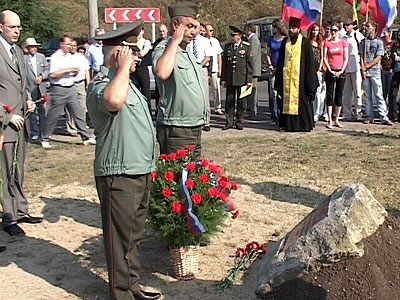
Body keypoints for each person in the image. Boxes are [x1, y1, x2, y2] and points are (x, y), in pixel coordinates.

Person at [86, 19, 161, 300]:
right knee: (119, 241)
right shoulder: (103, 85)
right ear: (118, 52)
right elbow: (113, 102)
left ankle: (132, 286)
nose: (138, 57)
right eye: (132, 51)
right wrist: (120, 70)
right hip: (119, 174)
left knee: (133, 237)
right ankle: (121, 294)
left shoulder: (125, 82)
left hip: (138, 170)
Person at [0, 9, 43, 237]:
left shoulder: (17, 51)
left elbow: (21, 84)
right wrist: (6, 115)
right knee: (6, 171)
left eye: (18, 27)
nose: (16, 31)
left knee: (19, 168)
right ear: (1, 27)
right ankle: (9, 217)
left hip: (21, 121)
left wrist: (28, 100)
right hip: (6, 124)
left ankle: (21, 209)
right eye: (11, 27)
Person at [152, 1, 207, 160]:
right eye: (189, 26)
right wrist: (174, 42)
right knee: (177, 178)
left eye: (195, 27)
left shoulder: (187, 51)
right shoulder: (165, 48)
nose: (194, 32)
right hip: (177, 128)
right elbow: (162, 72)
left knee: (192, 178)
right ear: (176, 25)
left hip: (194, 126)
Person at [41, 35, 96, 149]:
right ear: (62, 45)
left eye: (71, 44)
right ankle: (45, 137)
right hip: (59, 89)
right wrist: (68, 70)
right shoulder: (56, 57)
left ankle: (85, 137)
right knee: (54, 115)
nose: (70, 46)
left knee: (78, 113)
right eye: (68, 44)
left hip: (71, 88)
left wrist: (74, 72)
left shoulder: (70, 56)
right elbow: (53, 74)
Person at [275, 17, 318, 132]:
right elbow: (280, 62)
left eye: (293, 28)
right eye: (290, 28)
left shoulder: (305, 43)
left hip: (301, 81)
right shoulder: (285, 42)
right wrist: (278, 79)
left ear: (298, 29)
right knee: (286, 102)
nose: (291, 30)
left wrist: (310, 83)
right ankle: (287, 125)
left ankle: (302, 125)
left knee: (302, 103)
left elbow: (310, 64)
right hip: (287, 80)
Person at [359, 21, 393, 125]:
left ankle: (383, 116)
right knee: (367, 96)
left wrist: (368, 65)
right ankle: (369, 116)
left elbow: (379, 57)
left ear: (373, 28)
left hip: (375, 72)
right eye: (365, 26)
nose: (366, 28)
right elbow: (360, 55)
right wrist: (362, 67)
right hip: (365, 72)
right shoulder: (363, 42)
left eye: (368, 26)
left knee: (378, 94)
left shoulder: (379, 42)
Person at [221, 25, 253, 131]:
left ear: (239, 36)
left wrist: (249, 80)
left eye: (234, 35)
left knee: (241, 102)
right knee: (229, 101)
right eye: (232, 35)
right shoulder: (228, 47)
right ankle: (229, 121)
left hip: (242, 79)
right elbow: (225, 64)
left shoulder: (246, 47)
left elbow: (249, 65)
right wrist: (224, 79)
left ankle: (239, 121)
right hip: (230, 79)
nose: (233, 37)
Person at [187, 20, 213, 131]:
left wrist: (198, 65)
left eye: (196, 27)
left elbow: (208, 57)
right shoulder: (188, 41)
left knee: (204, 96)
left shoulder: (204, 41)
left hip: (201, 69)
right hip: (189, 70)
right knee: (190, 95)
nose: (194, 30)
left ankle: (206, 121)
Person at [323, 22, 348, 129]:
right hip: (330, 71)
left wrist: (341, 70)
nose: (333, 32)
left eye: (335, 30)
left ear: (338, 31)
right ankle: (329, 120)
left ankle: (337, 119)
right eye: (331, 30)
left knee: (339, 95)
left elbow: (346, 58)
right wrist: (330, 70)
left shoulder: (343, 42)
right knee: (329, 95)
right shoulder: (327, 43)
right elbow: (324, 57)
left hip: (341, 71)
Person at [23, 37, 49, 142]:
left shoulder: (41, 57)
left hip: (41, 88)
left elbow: (47, 68)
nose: (34, 49)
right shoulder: (24, 58)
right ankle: (34, 132)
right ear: (28, 48)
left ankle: (44, 131)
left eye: (35, 47)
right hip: (30, 88)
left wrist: (42, 76)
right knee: (32, 112)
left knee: (43, 110)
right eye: (32, 47)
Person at [342, 20, 364, 121]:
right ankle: (346, 113)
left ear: (352, 26)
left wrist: (362, 65)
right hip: (346, 67)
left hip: (356, 67)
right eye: (345, 25)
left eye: (348, 25)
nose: (346, 27)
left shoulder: (358, 36)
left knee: (357, 92)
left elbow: (363, 50)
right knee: (346, 93)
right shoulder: (343, 37)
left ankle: (358, 114)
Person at [267, 19, 287, 125]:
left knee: (281, 93)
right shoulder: (270, 39)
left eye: (274, 27)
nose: (272, 29)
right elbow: (268, 53)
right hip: (273, 68)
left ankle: (282, 114)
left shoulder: (285, 39)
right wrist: (270, 65)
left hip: (283, 68)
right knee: (273, 93)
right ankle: (274, 115)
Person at [130, 27, 152, 114]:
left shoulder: (146, 42)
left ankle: (148, 113)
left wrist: (135, 52)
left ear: (143, 31)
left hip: (143, 69)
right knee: (134, 92)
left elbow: (142, 53)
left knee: (145, 92)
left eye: (140, 31)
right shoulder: (132, 42)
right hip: (134, 70)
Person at [307, 23, 326, 123]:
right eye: (314, 30)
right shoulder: (308, 42)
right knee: (311, 92)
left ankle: (317, 113)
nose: (315, 32)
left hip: (318, 70)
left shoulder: (321, 42)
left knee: (319, 92)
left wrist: (319, 69)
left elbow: (322, 56)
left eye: (317, 30)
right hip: (309, 70)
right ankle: (311, 112)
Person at [205, 23, 224, 115]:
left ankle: (218, 107)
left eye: (212, 30)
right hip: (206, 68)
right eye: (210, 30)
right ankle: (206, 107)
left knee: (216, 89)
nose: (212, 32)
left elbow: (219, 55)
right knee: (205, 90)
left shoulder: (215, 41)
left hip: (214, 69)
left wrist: (220, 68)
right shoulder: (202, 41)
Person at [152, 23, 169, 116]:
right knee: (158, 93)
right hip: (158, 71)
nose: (162, 33)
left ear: (167, 31)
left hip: (167, 70)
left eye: (163, 31)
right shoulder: (156, 43)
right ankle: (158, 112)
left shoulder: (170, 42)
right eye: (160, 31)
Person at [246, 24, 262, 117]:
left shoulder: (254, 40)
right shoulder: (251, 39)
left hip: (253, 70)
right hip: (252, 70)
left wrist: (250, 69)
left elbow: (253, 56)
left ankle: (252, 110)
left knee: (252, 91)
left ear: (249, 29)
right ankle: (251, 109)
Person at [387, 32, 400, 122]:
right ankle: (393, 115)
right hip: (396, 71)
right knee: (392, 93)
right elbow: (392, 55)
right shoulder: (395, 45)